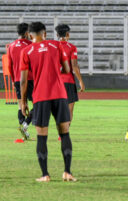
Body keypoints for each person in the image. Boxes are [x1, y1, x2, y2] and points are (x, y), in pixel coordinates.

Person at [20, 22, 76, 182]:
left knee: (42, 136)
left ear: (30, 35)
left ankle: (45, 175)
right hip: (59, 94)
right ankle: (67, 172)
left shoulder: (26, 51)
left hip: (40, 96)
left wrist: (23, 102)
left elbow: (23, 81)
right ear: (44, 33)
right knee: (64, 133)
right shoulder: (56, 45)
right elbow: (66, 69)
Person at [7, 23, 33, 140]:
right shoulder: (30, 45)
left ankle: (24, 131)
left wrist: (13, 80)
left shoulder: (11, 46)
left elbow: (9, 66)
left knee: (20, 105)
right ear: (27, 33)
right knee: (37, 104)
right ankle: (26, 124)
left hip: (17, 79)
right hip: (30, 79)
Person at [55, 24, 85, 123]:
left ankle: (60, 131)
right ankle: (64, 133)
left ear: (57, 34)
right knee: (69, 109)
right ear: (67, 34)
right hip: (68, 81)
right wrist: (81, 81)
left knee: (58, 108)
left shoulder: (52, 47)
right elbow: (74, 66)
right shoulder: (71, 47)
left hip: (55, 82)